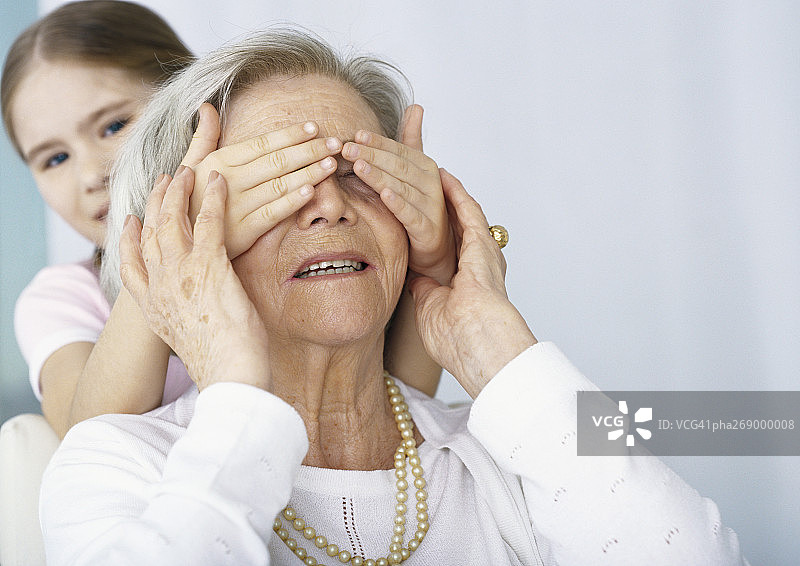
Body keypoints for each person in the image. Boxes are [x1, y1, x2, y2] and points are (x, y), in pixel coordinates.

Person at [40, 29, 747, 566]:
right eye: (275, 183)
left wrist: (492, 342)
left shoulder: (506, 447)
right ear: (184, 242)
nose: (328, 208)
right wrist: (232, 376)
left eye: (358, 171)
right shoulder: (118, 463)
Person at [1, 1, 442, 439]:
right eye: (54, 158)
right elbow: (88, 437)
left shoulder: (290, 250)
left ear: (189, 105)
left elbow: (398, 407)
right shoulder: (63, 299)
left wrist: (431, 255)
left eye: (114, 125)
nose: (91, 173)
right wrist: (178, 242)